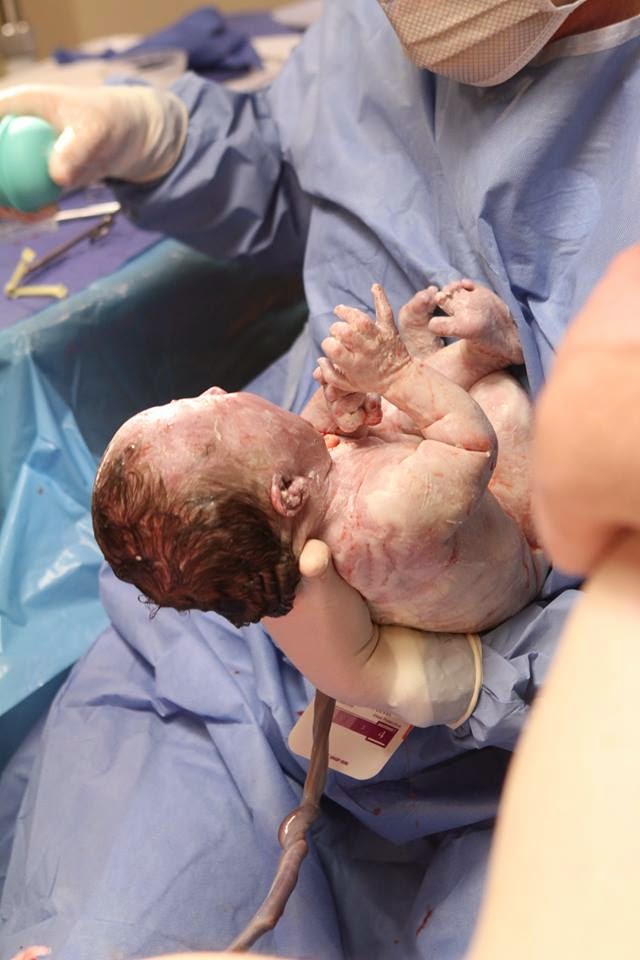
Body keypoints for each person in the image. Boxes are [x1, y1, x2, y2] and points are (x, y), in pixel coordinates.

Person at [1, 2, 640, 958]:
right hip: (239, 668)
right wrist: (160, 139)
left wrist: (457, 679)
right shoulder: (392, 24)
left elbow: (469, 449)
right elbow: (308, 159)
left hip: (569, 711)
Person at [91, 279, 542, 726]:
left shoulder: (297, 501)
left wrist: (339, 405)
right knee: (496, 404)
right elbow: (471, 447)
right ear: (287, 491)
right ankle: (490, 351)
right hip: (514, 543)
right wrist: (395, 374)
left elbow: (315, 435)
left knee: (388, 414)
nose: (214, 390)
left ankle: (427, 364)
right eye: (216, 408)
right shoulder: (384, 516)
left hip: (434, 490)